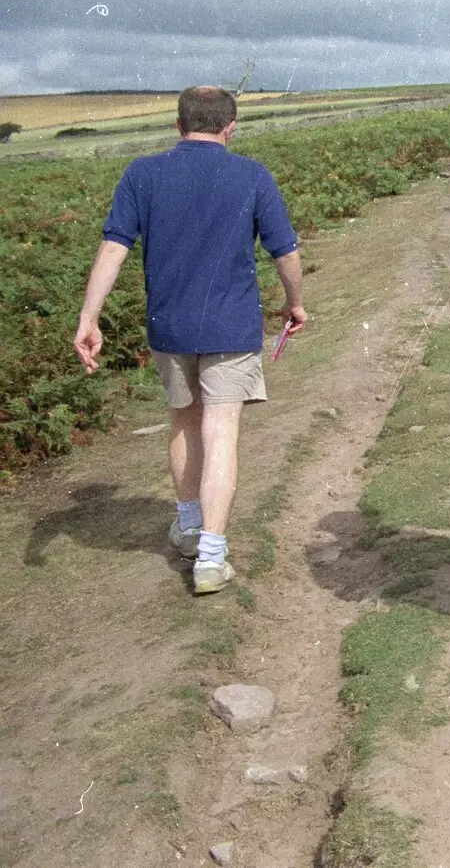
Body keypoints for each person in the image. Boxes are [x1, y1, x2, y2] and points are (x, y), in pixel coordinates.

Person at [73, 85, 306, 595]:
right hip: (231, 327)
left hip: (169, 327)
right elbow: (284, 252)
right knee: (221, 431)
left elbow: (113, 247)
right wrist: (295, 302)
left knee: (183, 421)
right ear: (231, 126)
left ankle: (187, 526)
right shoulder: (252, 174)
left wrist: (88, 318)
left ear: (178, 126)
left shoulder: (142, 173)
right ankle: (211, 557)